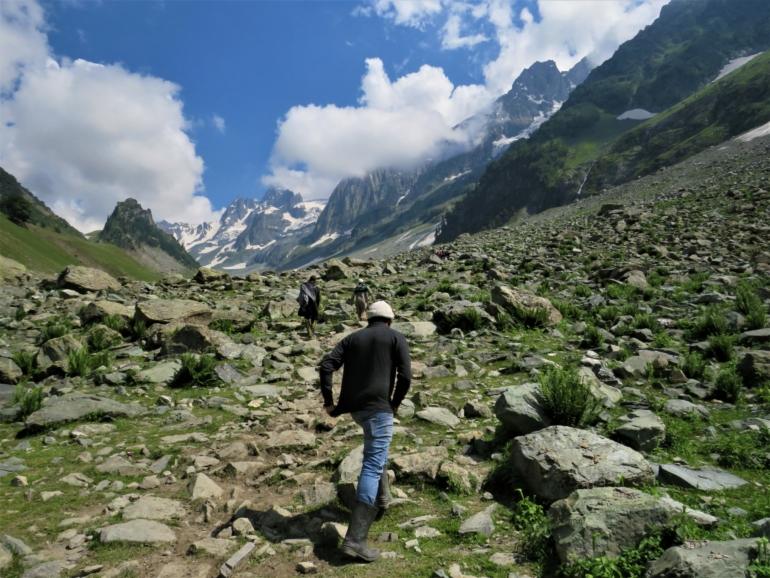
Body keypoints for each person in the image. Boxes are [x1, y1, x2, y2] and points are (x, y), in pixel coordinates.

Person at [319, 300, 411, 562]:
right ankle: (355, 540)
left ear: (368, 319)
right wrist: (393, 404)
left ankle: (383, 500)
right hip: (379, 409)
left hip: (356, 410)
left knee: (376, 450)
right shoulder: (395, 337)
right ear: (389, 320)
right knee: (372, 463)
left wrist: (330, 403)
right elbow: (405, 377)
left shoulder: (352, 339)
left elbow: (326, 366)